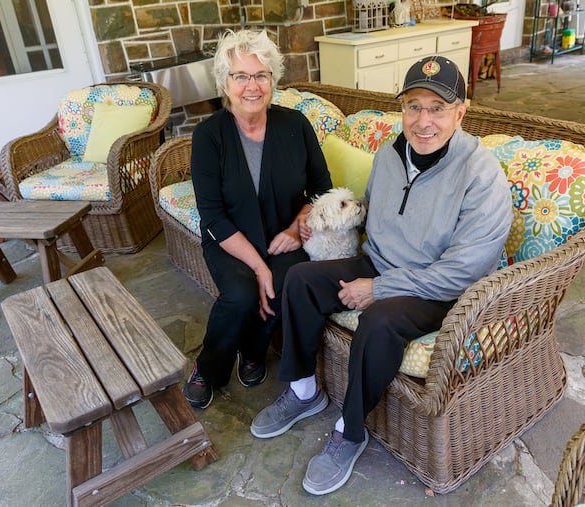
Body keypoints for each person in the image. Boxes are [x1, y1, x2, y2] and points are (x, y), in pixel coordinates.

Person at [250, 56, 513, 495]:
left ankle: (350, 430)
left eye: (437, 108)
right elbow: (371, 215)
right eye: (413, 106)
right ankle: (302, 389)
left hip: (438, 288)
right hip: (379, 263)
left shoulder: (482, 176)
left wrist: (380, 288)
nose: (423, 120)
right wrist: (318, 229)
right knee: (299, 278)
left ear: (460, 112)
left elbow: (463, 270)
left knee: (379, 321)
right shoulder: (392, 154)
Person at [183, 29, 332, 409]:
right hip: (230, 239)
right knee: (241, 293)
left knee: (283, 283)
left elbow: (320, 190)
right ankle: (210, 367)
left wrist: (297, 229)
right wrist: (258, 266)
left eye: (261, 75)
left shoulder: (295, 125)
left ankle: (252, 352)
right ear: (225, 83)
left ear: (272, 80)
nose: (252, 86)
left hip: (283, 237)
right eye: (241, 76)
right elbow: (212, 214)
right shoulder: (208, 135)